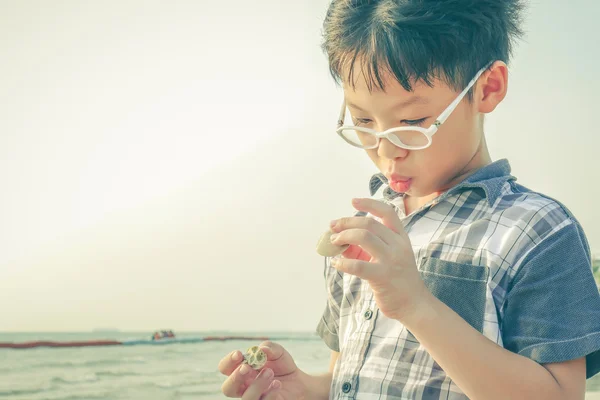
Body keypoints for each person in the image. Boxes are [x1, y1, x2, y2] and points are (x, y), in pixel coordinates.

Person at [217, 1, 600, 399]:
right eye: (364, 121)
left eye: (413, 122)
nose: (387, 150)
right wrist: (303, 389)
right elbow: (353, 377)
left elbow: (560, 394)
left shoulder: (537, 231)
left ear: (488, 88)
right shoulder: (368, 232)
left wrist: (417, 305)